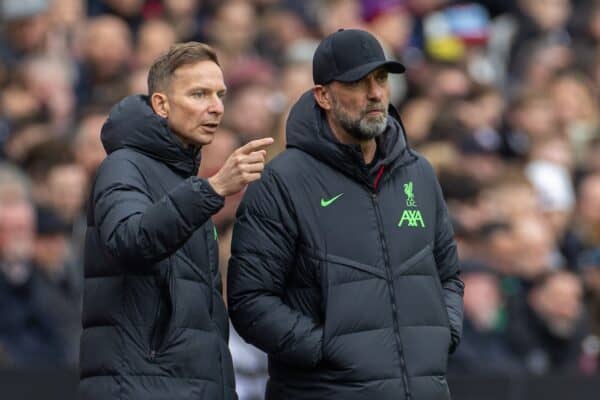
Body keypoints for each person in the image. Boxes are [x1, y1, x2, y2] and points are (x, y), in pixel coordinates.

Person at [228, 29, 464, 400]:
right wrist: (328, 350)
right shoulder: (282, 182)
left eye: (381, 79)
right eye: (357, 82)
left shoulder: (418, 172)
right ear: (323, 95)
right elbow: (250, 300)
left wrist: (441, 333)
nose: (375, 94)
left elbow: (448, 275)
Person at [78, 42, 273, 400]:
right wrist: (212, 189)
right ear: (161, 104)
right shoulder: (125, 164)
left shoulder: (179, 176)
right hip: (142, 386)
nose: (215, 107)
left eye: (220, 94)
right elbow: (128, 240)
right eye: (199, 94)